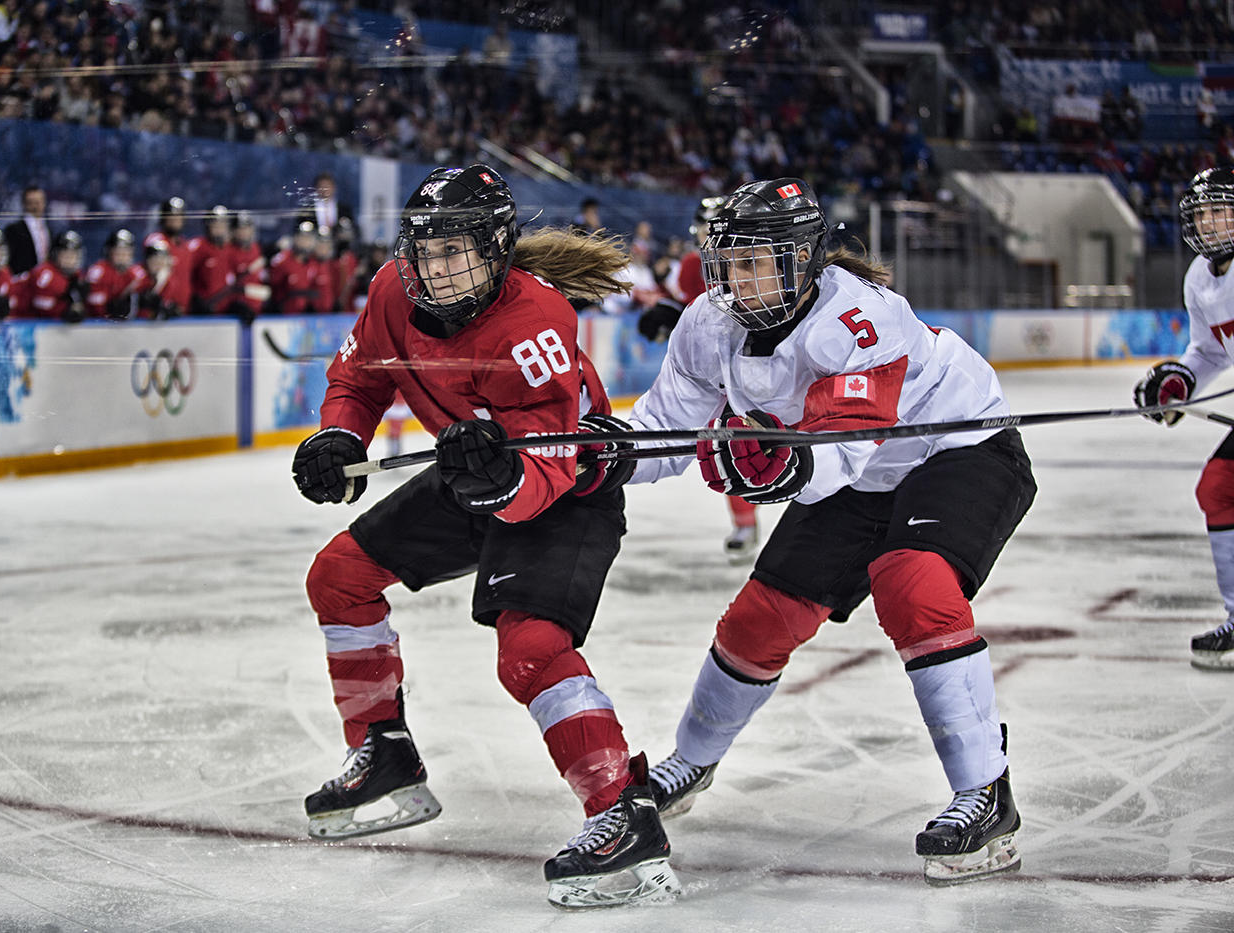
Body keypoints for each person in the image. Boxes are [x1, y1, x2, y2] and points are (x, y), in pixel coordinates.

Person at [623, 178, 1036, 886]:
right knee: (758, 621)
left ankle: (986, 790)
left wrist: (773, 461)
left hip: (959, 448)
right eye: (731, 261)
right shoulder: (707, 324)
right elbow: (662, 430)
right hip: (857, 470)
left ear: (805, 261)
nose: (739, 280)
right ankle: (690, 760)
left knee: (913, 584)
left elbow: (837, 453)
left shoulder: (857, 318)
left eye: (759, 261)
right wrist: (595, 452)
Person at [290, 163, 680, 908]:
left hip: (562, 486)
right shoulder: (389, 292)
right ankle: (385, 751)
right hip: (476, 472)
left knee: (530, 650)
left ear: (497, 248)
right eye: (425, 251)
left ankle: (623, 814)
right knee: (338, 576)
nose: (435, 270)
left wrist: (501, 481)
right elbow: (361, 376)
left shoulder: (534, 322)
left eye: (455, 251)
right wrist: (339, 436)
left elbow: (545, 468)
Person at [1133, 166, 1234, 671]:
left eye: (1220, 211)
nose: (1211, 223)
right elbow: (1211, 352)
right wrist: (1179, 383)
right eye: (1203, 214)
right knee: (1217, 489)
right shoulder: (1200, 277)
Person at [639, 196, 760, 563]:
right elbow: (686, 305)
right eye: (705, 229)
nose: (710, 237)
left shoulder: (752, 264)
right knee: (729, 447)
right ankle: (745, 523)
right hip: (713, 371)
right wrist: (665, 313)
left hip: (759, 365)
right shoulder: (693, 265)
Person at [10, 229, 85, 321]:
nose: (70, 260)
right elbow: (43, 307)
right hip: (16, 317)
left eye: (74, 255)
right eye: (65, 255)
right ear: (55, 255)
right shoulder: (45, 274)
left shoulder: (77, 276)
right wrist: (65, 310)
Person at [83, 229, 148, 320]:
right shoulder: (98, 271)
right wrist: (109, 307)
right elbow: (94, 307)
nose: (122, 256)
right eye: (118, 252)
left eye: (126, 252)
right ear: (109, 252)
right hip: (98, 325)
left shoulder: (137, 273)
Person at [144, 196, 193, 312]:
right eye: (171, 215)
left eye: (179, 215)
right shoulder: (156, 240)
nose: (175, 219)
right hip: (161, 311)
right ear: (163, 217)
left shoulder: (185, 245)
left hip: (183, 311)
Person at [3, 184, 52, 275]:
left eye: (38, 202)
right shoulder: (14, 230)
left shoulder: (50, 227)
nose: (35, 206)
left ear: (44, 202)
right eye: (31, 202)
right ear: (24, 204)